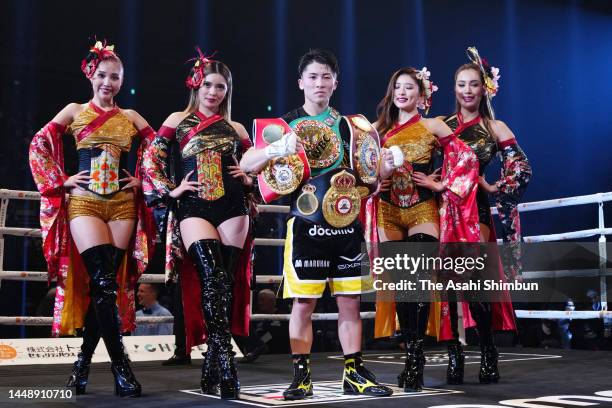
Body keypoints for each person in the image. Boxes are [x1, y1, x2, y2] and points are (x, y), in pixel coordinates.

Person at [241, 48, 392, 400]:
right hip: (307, 224)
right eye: (312, 76)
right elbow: (248, 163)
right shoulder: (284, 124)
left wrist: (385, 165)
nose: (319, 83)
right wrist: (273, 151)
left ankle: (354, 373)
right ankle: (301, 376)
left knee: (350, 302)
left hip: (347, 225)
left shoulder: (352, 127)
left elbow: (371, 178)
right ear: (300, 83)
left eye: (326, 76)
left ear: (335, 82)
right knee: (303, 305)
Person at [28, 39, 156, 397]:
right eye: (102, 75)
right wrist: (59, 179)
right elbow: (39, 143)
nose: (108, 82)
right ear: (91, 75)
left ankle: (82, 366)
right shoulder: (74, 110)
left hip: (122, 205)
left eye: (115, 77)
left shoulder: (130, 117)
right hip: (84, 202)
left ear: (122, 80)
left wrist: (142, 180)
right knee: (101, 282)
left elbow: (160, 149)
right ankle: (122, 370)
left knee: (106, 288)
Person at [143, 49, 253, 400]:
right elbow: (151, 162)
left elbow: (263, 168)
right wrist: (170, 190)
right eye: (208, 84)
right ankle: (225, 363)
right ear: (196, 85)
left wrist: (250, 178)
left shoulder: (236, 128)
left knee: (225, 285)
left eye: (220, 86)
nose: (213, 92)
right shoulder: (176, 120)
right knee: (212, 279)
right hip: (193, 207)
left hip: (233, 206)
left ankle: (212, 367)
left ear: (227, 91)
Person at [419, 47, 531, 385]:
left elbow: (522, 167)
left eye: (473, 84)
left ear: (485, 88)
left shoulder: (495, 127)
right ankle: (454, 354)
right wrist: (433, 181)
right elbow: (419, 160)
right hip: (443, 211)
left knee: (475, 283)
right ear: (454, 89)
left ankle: (488, 352)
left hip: (476, 211)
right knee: (449, 288)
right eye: (461, 85)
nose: (467, 91)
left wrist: (494, 184)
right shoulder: (441, 125)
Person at [371, 67, 458, 391]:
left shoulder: (434, 125)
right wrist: (377, 180)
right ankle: (410, 356)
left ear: (422, 95)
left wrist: (441, 182)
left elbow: (464, 159)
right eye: (398, 88)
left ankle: (417, 357)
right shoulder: (378, 129)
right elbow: (368, 171)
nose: (402, 93)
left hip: (422, 209)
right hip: (388, 212)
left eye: (409, 88)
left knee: (418, 283)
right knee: (402, 288)